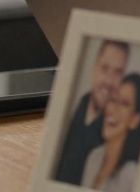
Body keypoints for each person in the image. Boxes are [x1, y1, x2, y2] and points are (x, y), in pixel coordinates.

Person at [55, 40, 129, 185]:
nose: (109, 80)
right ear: (94, 68)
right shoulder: (73, 107)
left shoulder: (115, 134)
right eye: (104, 68)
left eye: (117, 72)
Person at [81, 73, 140, 192]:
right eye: (113, 100)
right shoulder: (94, 156)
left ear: (135, 119)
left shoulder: (133, 173)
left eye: (124, 103)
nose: (114, 109)